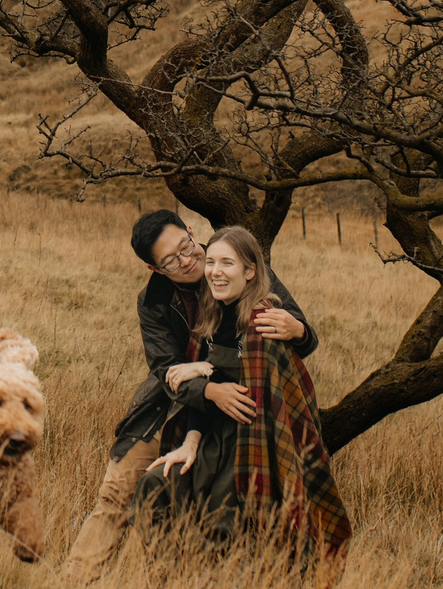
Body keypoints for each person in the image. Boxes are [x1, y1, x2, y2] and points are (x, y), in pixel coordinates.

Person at [59, 209, 317, 581]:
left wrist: (299, 330)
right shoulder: (153, 300)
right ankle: (75, 583)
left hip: (240, 398)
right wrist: (210, 390)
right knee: (118, 490)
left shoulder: (229, 259)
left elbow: (294, 336)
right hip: (172, 404)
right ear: (155, 269)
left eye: (185, 246)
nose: (187, 260)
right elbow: (166, 369)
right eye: (170, 260)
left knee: (218, 500)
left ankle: (184, 584)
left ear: (191, 231)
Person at [135, 226, 350, 565]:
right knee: (155, 485)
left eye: (227, 264)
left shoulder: (266, 322)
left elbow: (268, 389)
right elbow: (200, 379)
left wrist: (300, 330)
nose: (215, 272)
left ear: (250, 271)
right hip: (210, 431)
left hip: (255, 438)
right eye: (213, 264)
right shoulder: (214, 313)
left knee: (224, 517)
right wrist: (193, 427)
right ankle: (170, 581)